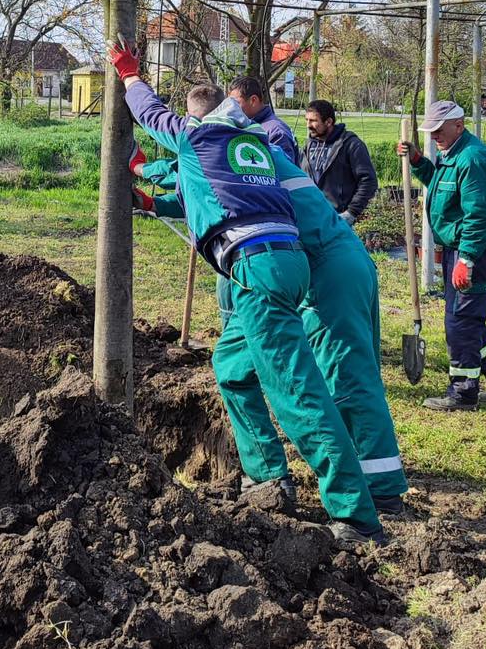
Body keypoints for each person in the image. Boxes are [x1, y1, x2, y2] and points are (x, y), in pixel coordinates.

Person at [109, 42, 384, 544]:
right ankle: (266, 477)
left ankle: (355, 514)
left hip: (258, 269)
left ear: (197, 119)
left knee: (296, 388)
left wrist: (128, 72)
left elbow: (149, 112)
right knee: (231, 367)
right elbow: (208, 191)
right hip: (283, 261)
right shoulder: (256, 144)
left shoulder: (195, 136)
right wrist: (150, 195)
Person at [397, 102, 486, 412]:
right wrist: (417, 161)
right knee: (467, 319)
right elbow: (441, 185)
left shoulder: (473, 159)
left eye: (439, 130)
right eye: (431, 131)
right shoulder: (453, 154)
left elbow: (478, 215)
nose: (435, 136)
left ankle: (463, 393)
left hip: (474, 251)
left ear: (458, 124)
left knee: (461, 323)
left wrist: (466, 259)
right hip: (460, 249)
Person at [301, 99, 378, 224]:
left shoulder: (351, 145)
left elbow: (369, 181)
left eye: (313, 120)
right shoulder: (308, 146)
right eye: (307, 120)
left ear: (329, 122)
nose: (308, 125)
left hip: (339, 220)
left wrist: (351, 212)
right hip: (312, 218)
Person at [228, 75, 301, 164]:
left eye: (236, 103)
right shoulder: (243, 125)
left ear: (253, 100)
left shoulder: (277, 132)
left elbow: (285, 172)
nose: (231, 107)